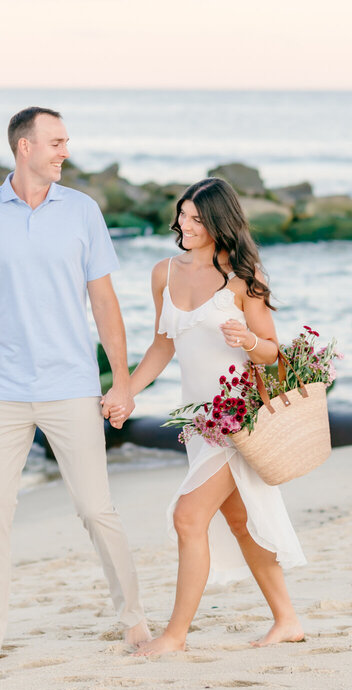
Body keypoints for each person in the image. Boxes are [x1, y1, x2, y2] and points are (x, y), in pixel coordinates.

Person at [0, 106, 149, 665]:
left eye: (66, 142)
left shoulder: (82, 212)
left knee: (96, 509)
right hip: (0, 389)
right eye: (55, 142)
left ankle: (133, 620)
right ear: (24, 148)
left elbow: (104, 302)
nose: (64, 152)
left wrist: (122, 381)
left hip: (71, 384)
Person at [126, 178, 306, 657]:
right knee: (242, 520)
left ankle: (175, 636)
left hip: (238, 418)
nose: (186, 225)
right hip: (198, 423)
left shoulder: (243, 280)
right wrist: (125, 389)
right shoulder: (164, 272)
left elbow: (274, 354)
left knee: (189, 517)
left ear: (219, 224)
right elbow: (162, 344)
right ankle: (287, 619)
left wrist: (248, 341)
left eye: (197, 219)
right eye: (182, 214)